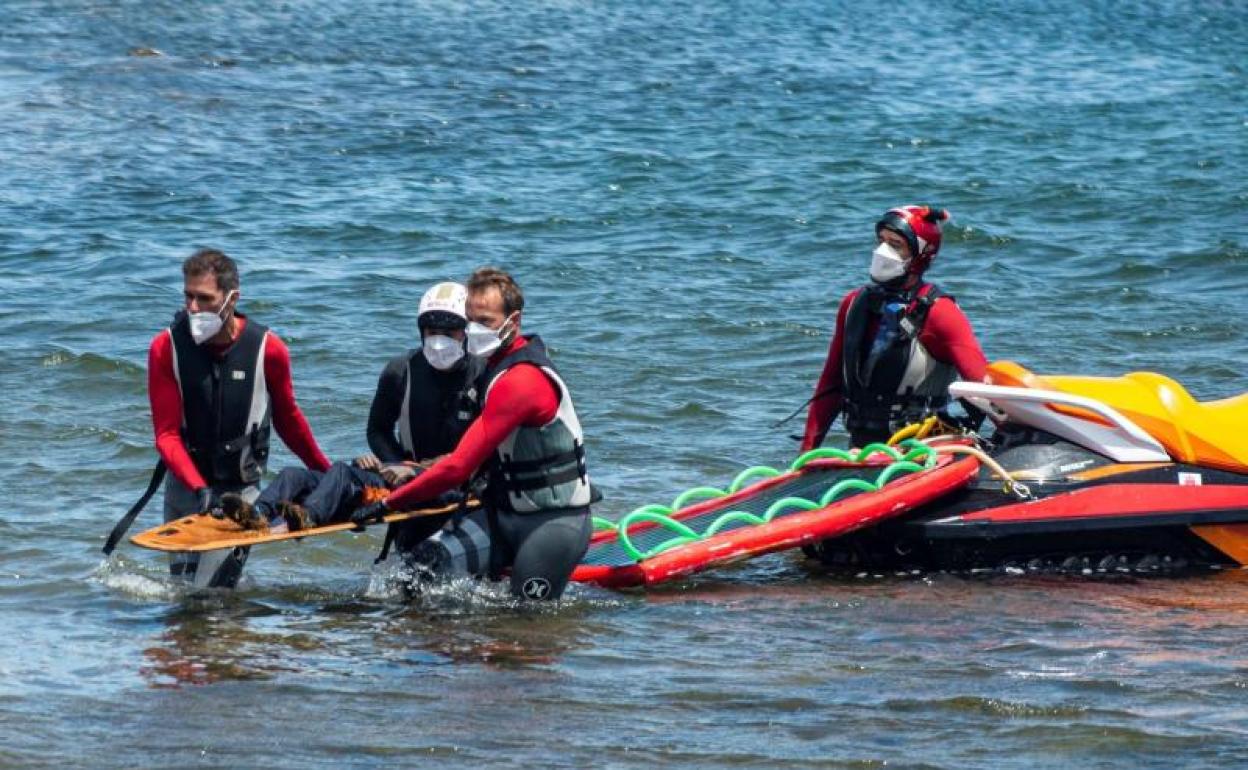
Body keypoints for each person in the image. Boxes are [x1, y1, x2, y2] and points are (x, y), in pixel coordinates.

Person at [353, 267, 594, 601]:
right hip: (499, 516)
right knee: (418, 570)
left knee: (526, 622)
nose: (476, 330)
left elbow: (458, 466)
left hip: (550, 524)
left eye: (487, 321)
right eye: (470, 322)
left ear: (514, 321)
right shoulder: (492, 369)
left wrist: (388, 503)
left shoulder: (520, 381)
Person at [219, 282, 484, 537]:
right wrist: (388, 465)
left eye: (449, 334)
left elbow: (485, 448)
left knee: (343, 474)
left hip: (448, 485)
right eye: (431, 332)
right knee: (293, 475)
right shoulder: (401, 370)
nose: (439, 341)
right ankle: (256, 514)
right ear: (421, 331)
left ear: (466, 332)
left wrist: (415, 469)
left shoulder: (483, 374)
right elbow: (377, 430)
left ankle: (307, 517)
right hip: (402, 478)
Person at [147, 249, 330, 589]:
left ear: (232, 299)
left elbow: (289, 420)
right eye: (188, 296)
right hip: (186, 488)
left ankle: (228, 637)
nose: (193, 309)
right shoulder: (165, 348)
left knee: (210, 594)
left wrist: (326, 473)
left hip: (240, 492)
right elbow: (166, 435)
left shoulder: (269, 350)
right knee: (183, 593)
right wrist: (198, 487)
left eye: (204, 299)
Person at [800, 205, 989, 450]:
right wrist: (805, 455)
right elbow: (830, 386)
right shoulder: (853, 304)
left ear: (922, 254)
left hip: (921, 450)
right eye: (881, 241)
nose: (882, 252)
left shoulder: (941, 313)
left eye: (895, 244)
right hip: (863, 449)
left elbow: (983, 389)